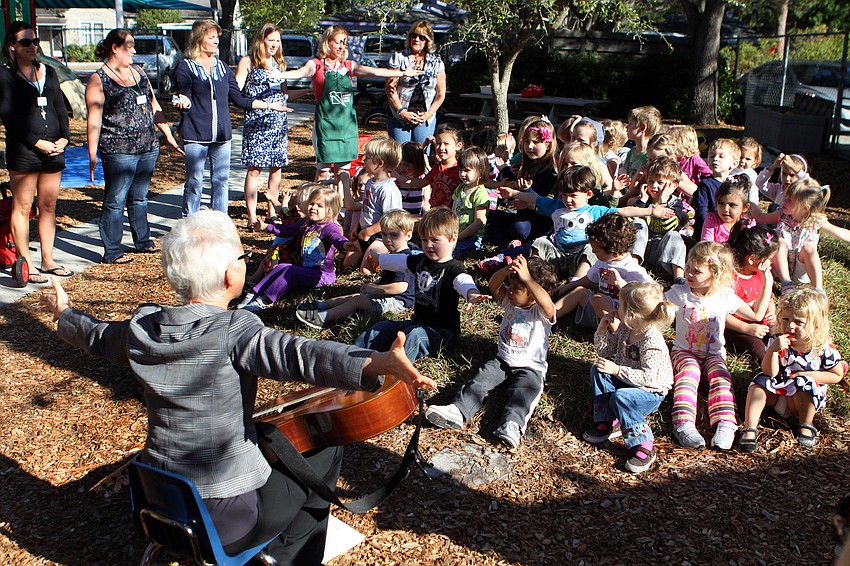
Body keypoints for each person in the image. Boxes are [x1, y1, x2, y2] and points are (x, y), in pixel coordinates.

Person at [43, 209, 435, 565]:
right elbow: (301, 355)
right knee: (325, 448)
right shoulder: (234, 330)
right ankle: (290, 557)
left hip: (155, 496)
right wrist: (376, 361)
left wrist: (64, 315)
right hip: (227, 515)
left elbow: (95, 335)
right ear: (233, 275)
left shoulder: (143, 327)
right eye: (244, 259)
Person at [425, 255, 557, 449]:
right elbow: (494, 285)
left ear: (532, 293)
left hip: (530, 368)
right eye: (510, 285)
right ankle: (458, 410)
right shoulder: (510, 302)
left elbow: (546, 302)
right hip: (502, 361)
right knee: (480, 381)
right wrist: (507, 271)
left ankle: (512, 425)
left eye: (516, 288)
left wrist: (527, 277)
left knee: (524, 394)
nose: (509, 291)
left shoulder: (541, 312)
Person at [173, 19, 290, 217]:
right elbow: (184, 94)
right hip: (195, 134)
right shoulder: (186, 67)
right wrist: (184, 101)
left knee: (220, 181)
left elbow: (238, 98)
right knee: (195, 181)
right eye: (212, 38)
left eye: (217, 38)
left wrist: (269, 105)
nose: (216, 42)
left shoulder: (222, 67)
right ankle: (190, 222)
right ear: (200, 39)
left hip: (222, 135)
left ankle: (220, 222)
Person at [85, 29, 182, 265]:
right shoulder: (99, 78)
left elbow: (153, 104)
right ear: (115, 48)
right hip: (118, 150)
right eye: (129, 46)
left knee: (140, 197)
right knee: (116, 200)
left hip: (147, 146)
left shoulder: (139, 72)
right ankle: (113, 250)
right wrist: (91, 153)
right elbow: (94, 119)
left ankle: (143, 240)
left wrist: (167, 134)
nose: (135, 51)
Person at [666, 241, 773, 450]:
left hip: (714, 354)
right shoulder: (679, 293)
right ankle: (682, 423)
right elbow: (656, 309)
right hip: (684, 352)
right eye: (687, 266)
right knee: (688, 373)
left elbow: (756, 315)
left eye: (696, 270)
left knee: (722, 379)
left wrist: (767, 280)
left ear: (715, 274)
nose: (688, 273)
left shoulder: (723, 296)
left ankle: (726, 423)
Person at [278, 25, 422, 180]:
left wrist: (402, 73)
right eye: (338, 42)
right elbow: (300, 73)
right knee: (322, 172)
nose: (341, 46)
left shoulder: (348, 66)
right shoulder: (316, 65)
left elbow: (376, 72)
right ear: (328, 42)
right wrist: (279, 75)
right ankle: (319, 200)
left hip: (346, 126)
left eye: (344, 43)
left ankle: (341, 201)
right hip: (325, 127)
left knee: (343, 173)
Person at [354, 206, 490, 362]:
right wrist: (378, 258)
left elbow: (463, 281)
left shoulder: (453, 268)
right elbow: (399, 261)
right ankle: (352, 358)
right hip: (417, 323)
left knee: (416, 337)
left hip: (443, 333)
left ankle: (395, 371)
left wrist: (471, 293)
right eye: (425, 240)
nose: (428, 245)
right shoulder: (420, 261)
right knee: (382, 328)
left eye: (435, 240)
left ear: (452, 239)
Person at [0, 21, 71, 284]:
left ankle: (48, 259)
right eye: (25, 42)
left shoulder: (48, 72)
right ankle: (25, 263)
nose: (32, 46)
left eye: (35, 41)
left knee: (49, 205)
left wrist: (65, 138)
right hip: (25, 151)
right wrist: (36, 142)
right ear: (12, 46)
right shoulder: (5, 75)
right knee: (23, 206)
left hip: (54, 149)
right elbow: (8, 116)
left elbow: (60, 108)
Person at [583, 281, 676, 474]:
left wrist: (617, 370)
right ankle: (608, 420)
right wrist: (602, 329)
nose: (616, 307)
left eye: (620, 305)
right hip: (627, 379)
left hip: (649, 392)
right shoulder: (626, 329)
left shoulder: (652, 343)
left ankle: (643, 443)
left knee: (622, 397)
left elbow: (649, 378)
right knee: (598, 370)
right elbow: (606, 351)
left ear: (631, 314)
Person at [738, 289, 847, 451]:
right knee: (760, 381)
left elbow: (837, 374)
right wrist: (773, 351)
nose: (790, 326)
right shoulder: (778, 341)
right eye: (786, 319)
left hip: (802, 400)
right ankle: (750, 428)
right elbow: (770, 372)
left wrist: (808, 375)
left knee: (804, 382)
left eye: (798, 322)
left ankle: (806, 425)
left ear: (815, 325)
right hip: (779, 391)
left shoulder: (821, 348)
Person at [235, 23, 312, 229]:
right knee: (254, 169)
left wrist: (308, 91)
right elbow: (237, 92)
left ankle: (272, 211)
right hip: (257, 122)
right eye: (271, 40)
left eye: (278, 41)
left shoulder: (280, 64)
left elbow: (284, 95)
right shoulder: (249, 62)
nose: (275, 45)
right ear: (262, 40)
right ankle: (252, 215)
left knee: (276, 168)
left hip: (278, 123)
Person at [295, 209, 417, 330]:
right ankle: (320, 305)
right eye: (384, 234)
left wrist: (376, 289)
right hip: (389, 296)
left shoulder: (403, 259)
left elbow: (401, 287)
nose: (387, 239)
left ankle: (322, 318)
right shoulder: (393, 254)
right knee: (354, 296)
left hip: (398, 302)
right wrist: (375, 284)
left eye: (394, 235)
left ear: (408, 235)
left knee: (357, 301)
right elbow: (390, 280)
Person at [238, 186, 347, 312]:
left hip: (322, 275)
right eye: (312, 204)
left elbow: (337, 238)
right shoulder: (306, 224)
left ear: (329, 211)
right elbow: (286, 230)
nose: (313, 208)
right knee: (281, 267)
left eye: (319, 206)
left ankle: (266, 300)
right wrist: (267, 226)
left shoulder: (329, 227)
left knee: (291, 272)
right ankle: (255, 293)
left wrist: (345, 245)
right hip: (306, 269)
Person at [553, 211, 652, 328]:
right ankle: (546, 316)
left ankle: (619, 336)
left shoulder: (634, 271)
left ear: (614, 252)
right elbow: (590, 279)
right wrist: (567, 287)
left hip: (620, 318)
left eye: (596, 251)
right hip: (598, 313)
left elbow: (651, 295)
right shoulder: (603, 261)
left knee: (598, 298)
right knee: (580, 292)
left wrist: (621, 284)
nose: (594, 253)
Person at [761, 179, 850, 295]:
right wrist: (750, 207)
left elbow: (839, 232)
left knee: (809, 248)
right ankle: (786, 284)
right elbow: (761, 218)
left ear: (805, 208)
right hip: (779, 268)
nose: (784, 201)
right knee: (780, 241)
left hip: (801, 270)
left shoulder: (815, 222)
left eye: (790, 200)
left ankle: (818, 290)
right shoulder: (781, 215)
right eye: (786, 197)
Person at [484, 117, 558, 249]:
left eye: (536, 142)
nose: (530, 146)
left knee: (519, 228)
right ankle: (510, 242)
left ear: (548, 145)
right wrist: (506, 171)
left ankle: (515, 242)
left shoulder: (550, 171)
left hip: (539, 220)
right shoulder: (527, 165)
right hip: (521, 215)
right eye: (527, 142)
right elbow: (518, 187)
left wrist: (527, 199)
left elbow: (545, 201)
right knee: (489, 216)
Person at [341, 136, 403, 272]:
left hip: (382, 236)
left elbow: (389, 220)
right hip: (364, 232)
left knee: (365, 270)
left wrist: (368, 232)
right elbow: (366, 208)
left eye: (368, 157)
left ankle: (387, 256)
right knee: (348, 264)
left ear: (379, 163)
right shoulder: (370, 183)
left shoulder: (388, 189)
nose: (363, 160)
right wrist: (357, 227)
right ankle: (367, 253)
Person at [629, 156, 691, 285]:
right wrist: (642, 201)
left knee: (674, 235)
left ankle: (678, 276)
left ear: (673, 186)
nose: (654, 186)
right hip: (643, 249)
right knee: (639, 224)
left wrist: (663, 201)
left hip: (663, 252)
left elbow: (668, 227)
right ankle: (632, 265)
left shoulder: (675, 204)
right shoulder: (644, 202)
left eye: (660, 182)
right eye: (651, 181)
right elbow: (629, 221)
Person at [385, 20, 446, 145]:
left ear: (427, 40)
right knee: (401, 155)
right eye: (414, 36)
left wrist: (429, 113)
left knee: (422, 153)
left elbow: (441, 92)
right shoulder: (399, 58)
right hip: (400, 116)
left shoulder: (436, 61)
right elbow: (390, 89)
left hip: (425, 117)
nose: (417, 40)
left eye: (422, 37)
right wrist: (402, 112)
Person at [725, 222, 780, 363]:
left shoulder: (761, 274)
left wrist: (772, 312)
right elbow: (722, 314)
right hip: (738, 328)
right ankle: (770, 365)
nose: (770, 263)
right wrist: (746, 328)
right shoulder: (730, 278)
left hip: (762, 323)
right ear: (752, 259)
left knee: (782, 336)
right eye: (768, 259)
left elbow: (769, 299)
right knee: (756, 347)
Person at [693, 138, 740, 237]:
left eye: (721, 156)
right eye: (712, 156)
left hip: (727, 231)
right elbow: (701, 211)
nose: (715, 159)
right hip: (708, 232)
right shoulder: (705, 184)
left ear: (734, 164)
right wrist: (710, 227)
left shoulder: (734, 186)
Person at [452, 147, 491, 258]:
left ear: (480, 171)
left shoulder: (480, 193)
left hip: (472, 237)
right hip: (456, 233)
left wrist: (459, 237)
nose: (462, 174)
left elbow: (479, 222)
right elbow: (453, 212)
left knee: (455, 251)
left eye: (467, 170)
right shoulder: (460, 188)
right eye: (460, 170)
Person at [700, 175, 753, 244]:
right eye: (721, 203)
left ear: (745, 207)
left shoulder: (747, 224)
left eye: (732, 205)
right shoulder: (712, 220)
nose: (725, 209)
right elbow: (706, 245)